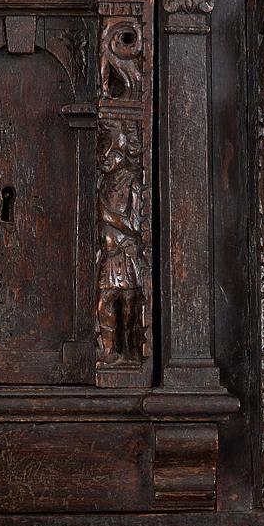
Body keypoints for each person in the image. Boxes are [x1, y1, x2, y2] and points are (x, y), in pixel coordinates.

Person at [96, 122, 145, 365]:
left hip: (125, 256)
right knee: (105, 302)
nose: (106, 158)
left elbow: (137, 225)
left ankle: (129, 350)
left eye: (113, 153)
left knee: (128, 307)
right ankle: (108, 349)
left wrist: (107, 215)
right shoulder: (103, 183)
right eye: (103, 152)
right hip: (109, 253)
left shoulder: (132, 183)